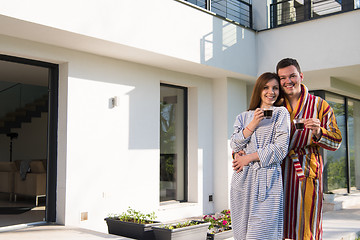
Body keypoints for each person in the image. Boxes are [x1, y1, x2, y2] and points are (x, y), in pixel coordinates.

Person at [276, 58, 342, 240]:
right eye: (282, 78)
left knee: (307, 226)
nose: (288, 81)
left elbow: (336, 142)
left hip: (306, 171)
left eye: (292, 76)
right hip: (277, 173)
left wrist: (319, 131)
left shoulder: (320, 105)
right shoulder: (275, 106)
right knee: (276, 225)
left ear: (301, 76)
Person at [230, 72, 290, 240]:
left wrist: (247, 158)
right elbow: (235, 145)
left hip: (267, 180)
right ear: (258, 89)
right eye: (266, 87)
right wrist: (254, 123)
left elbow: (280, 149)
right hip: (243, 179)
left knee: (260, 235)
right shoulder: (243, 117)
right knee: (241, 234)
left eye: (275, 88)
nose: (271, 92)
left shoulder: (280, 113)